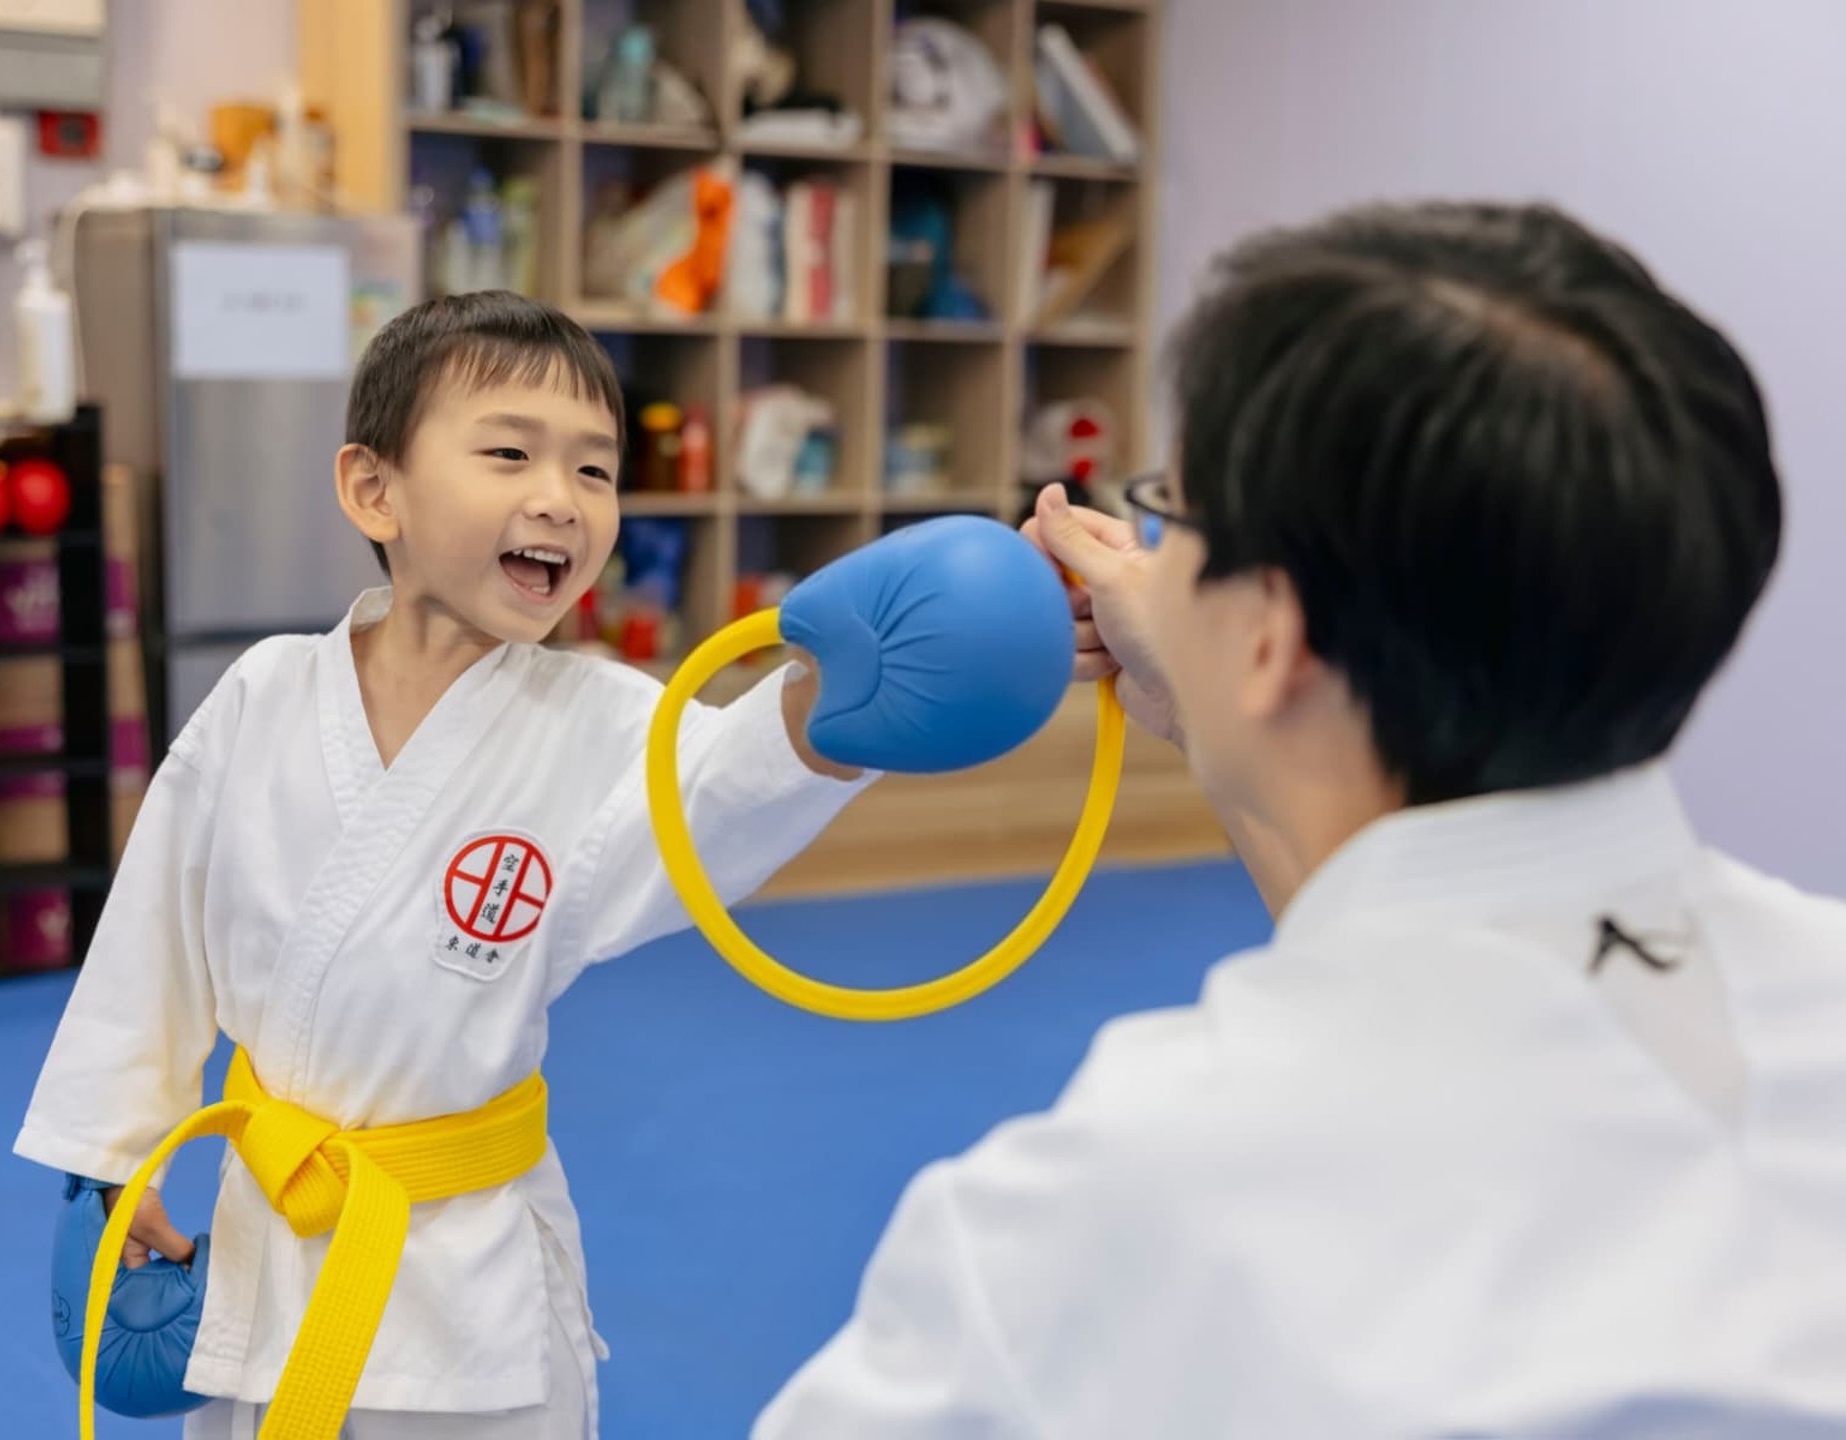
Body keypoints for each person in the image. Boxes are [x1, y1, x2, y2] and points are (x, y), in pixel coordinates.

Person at [754, 202, 1846, 1437]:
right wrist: (1228, 716)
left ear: (1272, 629)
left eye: (1172, 514)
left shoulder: (1124, 1192)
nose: (1151, 553)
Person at [14, 290, 968, 1438]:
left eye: (596, 473)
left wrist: (831, 705)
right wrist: (114, 1162)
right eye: (510, 452)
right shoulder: (265, 694)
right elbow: (154, 935)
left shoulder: (604, 723)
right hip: (273, 1239)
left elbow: (717, 795)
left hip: (466, 1281)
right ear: (377, 489)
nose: (558, 500)